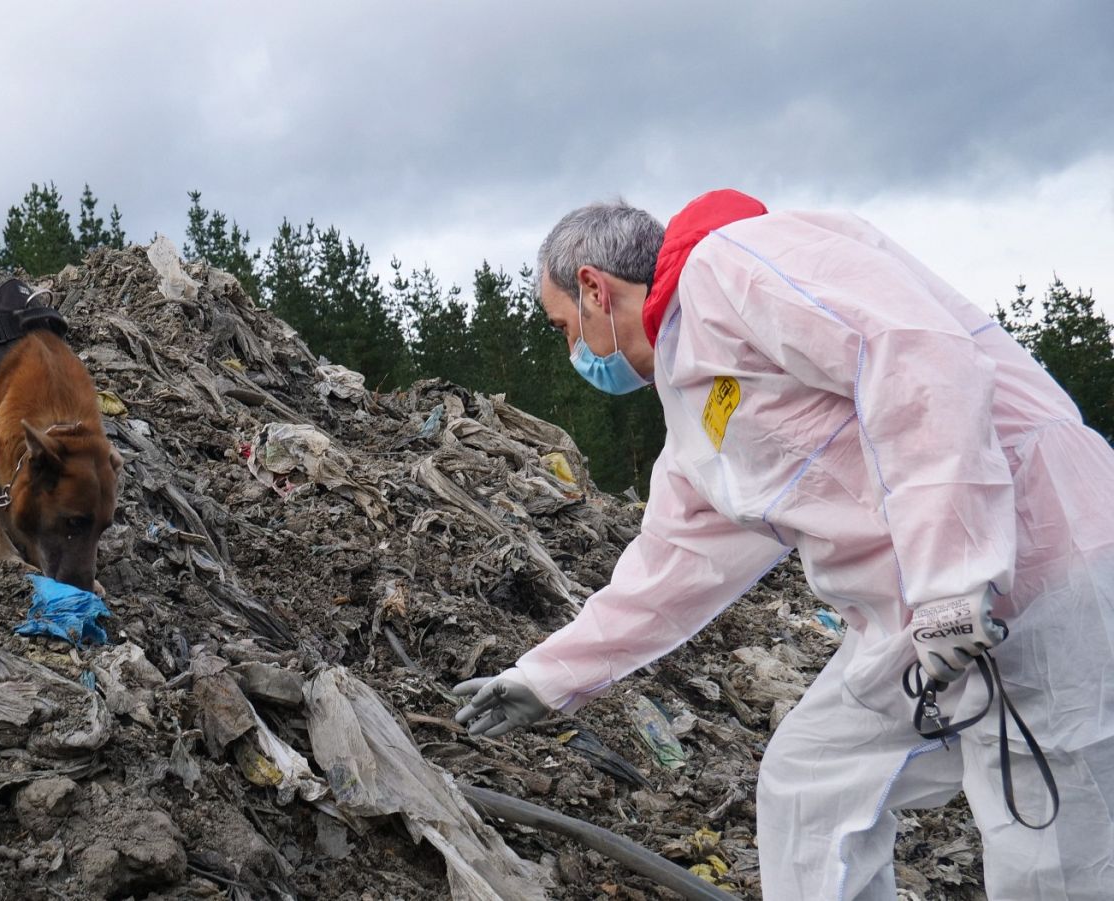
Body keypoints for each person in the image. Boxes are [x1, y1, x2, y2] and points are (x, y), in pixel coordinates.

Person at [451, 190, 1114, 899]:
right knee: (811, 785)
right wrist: (544, 677)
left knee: (1049, 850)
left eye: (564, 326)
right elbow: (671, 567)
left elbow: (916, 358)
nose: (572, 348)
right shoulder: (693, 401)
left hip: (1042, 558)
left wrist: (952, 580)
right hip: (916, 622)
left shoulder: (735, 265)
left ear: (593, 288)